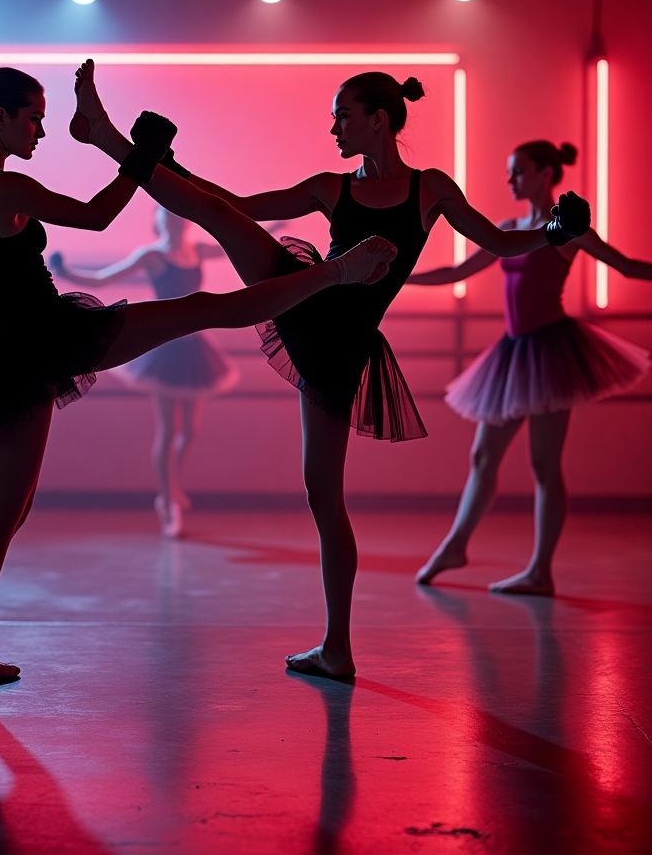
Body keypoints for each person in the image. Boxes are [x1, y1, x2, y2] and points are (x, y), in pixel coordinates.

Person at [0, 65, 397, 682]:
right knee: (203, 309)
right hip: (52, 335)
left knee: (8, 510)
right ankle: (331, 274)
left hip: (7, 347)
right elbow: (99, 215)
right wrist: (143, 158)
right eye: (33, 119)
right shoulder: (9, 189)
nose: (40, 132)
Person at [71, 64, 591, 678]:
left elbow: (498, 244)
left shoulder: (432, 189)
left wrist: (552, 231)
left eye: (343, 115)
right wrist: (174, 167)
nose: (334, 128)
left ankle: (337, 648)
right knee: (218, 216)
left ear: (379, 120)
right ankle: (108, 138)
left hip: (339, 346)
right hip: (307, 304)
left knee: (323, 496)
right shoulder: (329, 186)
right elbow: (239, 205)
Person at [411, 141, 651, 594]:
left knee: (543, 464)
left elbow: (626, 267)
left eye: (518, 171)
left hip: (552, 353)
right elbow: (458, 271)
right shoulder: (509, 229)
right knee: (483, 456)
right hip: (513, 352)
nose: (510, 180)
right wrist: (402, 275)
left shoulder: (566, 231)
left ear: (545, 174)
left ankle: (540, 571)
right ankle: (456, 545)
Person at [49, 206, 242, 537]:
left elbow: (235, 242)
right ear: (159, 222)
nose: (174, 220)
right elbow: (103, 278)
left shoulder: (197, 250)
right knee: (169, 430)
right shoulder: (151, 255)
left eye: (177, 215)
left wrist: (274, 220)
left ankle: (173, 485)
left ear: (185, 221)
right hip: (165, 347)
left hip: (195, 346)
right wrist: (65, 271)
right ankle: (167, 503)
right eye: (167, 215)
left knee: (191, 431)